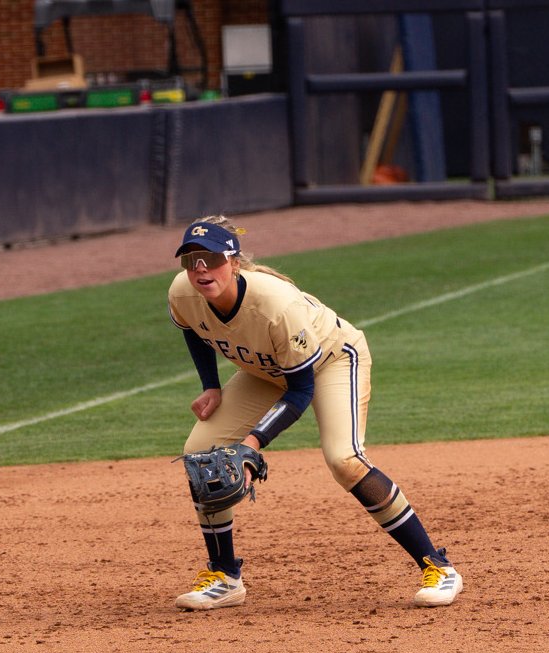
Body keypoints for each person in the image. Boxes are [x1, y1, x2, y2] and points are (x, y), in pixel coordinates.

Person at [167, 215, 462, 610]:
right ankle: (224, 576)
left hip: (332, 360)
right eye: (191, 260)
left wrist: (252, 445)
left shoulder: (277, 305)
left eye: (210, 258)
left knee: (344, 460)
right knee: (202, 453)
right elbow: (193, 327)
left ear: (234, 263)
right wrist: (211, 384)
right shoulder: (182, 292)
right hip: (267, 369)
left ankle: (438, 567)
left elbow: (301, 389)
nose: (200, 269)